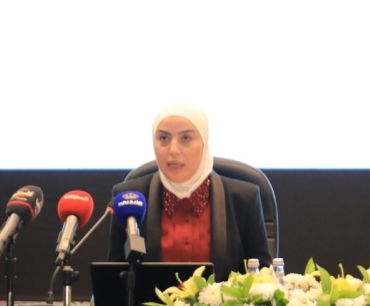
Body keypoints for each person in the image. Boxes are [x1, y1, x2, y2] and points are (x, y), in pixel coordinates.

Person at [108, 105, 271, 279]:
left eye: (185, 138)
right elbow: (114, 279)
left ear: (204, 142)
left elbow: (263, 281)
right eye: (163, 138)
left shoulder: (243, 199)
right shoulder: (128, 200)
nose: (173, 150)